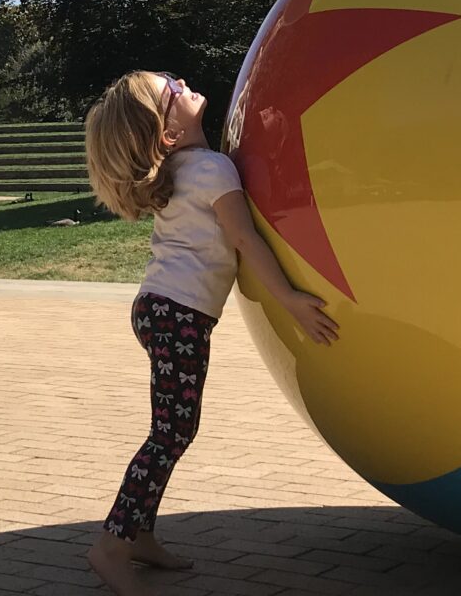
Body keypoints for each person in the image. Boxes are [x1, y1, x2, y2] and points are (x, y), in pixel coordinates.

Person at [81, 70, 339, 594]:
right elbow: (243, 239)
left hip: (158, 309)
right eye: (171, 91)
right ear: (168, 134)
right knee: (171, 433)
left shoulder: (179, 171)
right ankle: (112, 546)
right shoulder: (212, 169)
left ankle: (140, 535)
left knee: (171, 430)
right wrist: (288, 298)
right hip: (179, 316)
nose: (182, 81)